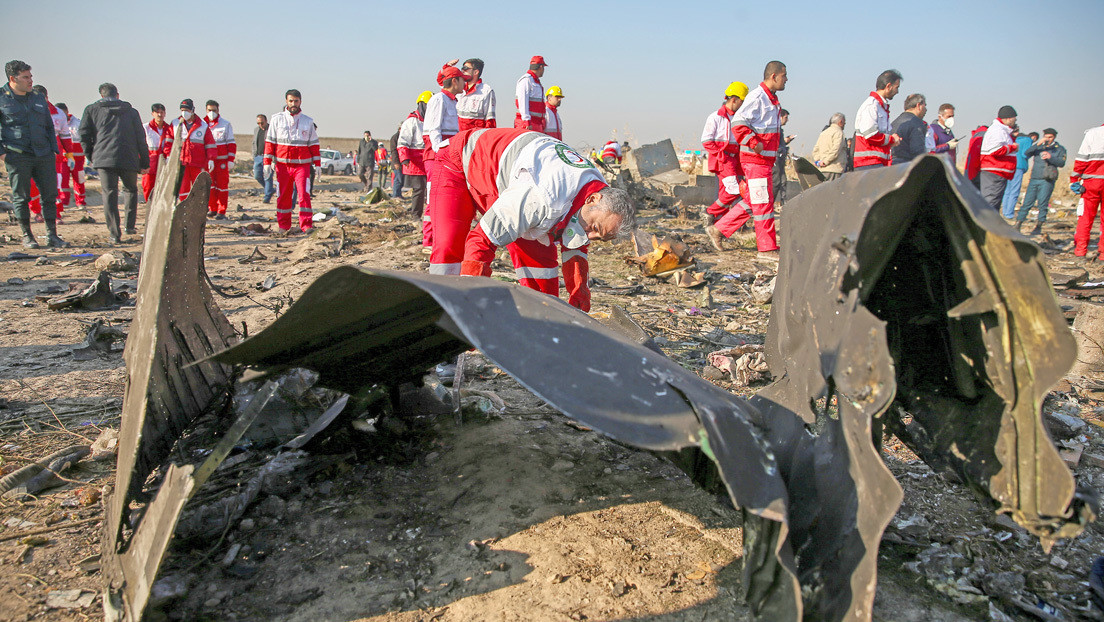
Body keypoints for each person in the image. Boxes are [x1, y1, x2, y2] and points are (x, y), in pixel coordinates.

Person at [429, 127, 634, 312]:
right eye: (595, 228)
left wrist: (579, 295)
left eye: (600, 237)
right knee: (450, 246)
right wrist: (469, 303)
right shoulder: (542, 198)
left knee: (542, 275)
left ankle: (542, 326)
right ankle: (440, 314)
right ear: (592, 199)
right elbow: (481, 240)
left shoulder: (598, 190)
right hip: (459, 160)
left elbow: (577, 242)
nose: (590, 236)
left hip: (508, 176)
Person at [0, 60, 64, 248]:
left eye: (31, 77)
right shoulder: (2, 98)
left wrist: (53, 149)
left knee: (49, 196)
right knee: (21, 197)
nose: (30, 81)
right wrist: (3, 154)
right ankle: (27, 236)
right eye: (25, 77)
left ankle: (52, 235)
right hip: (17, 155)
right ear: (13, 79)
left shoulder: (37, 97)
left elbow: (48, 125)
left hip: (43, 154)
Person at [728, 60, 787, 256]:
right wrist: (754, 143)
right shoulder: (758, 97)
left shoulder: (770, 99)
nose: (786, 80)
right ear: (774, 76)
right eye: (784, 75)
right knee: (763, 204)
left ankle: (719, 229)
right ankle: (766, 248)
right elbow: (738, 122)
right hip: (755, 160)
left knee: (756, 201)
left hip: (763, 161)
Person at [79, 82, 148, 244]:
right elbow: (141, 138)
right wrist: (144, 162)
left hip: (103, 159)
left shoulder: (92, 110)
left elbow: (83, 135)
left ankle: (114, 234)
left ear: (101, 96)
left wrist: (91, 155)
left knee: (109, 194)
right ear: (117, 95)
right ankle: (129, 226)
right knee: (130, 190)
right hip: (129, 158)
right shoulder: (131, 112)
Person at [700, 80, 749, 250]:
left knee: (727, 192)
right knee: (734, 190)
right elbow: (706, 140)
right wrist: (721, 155)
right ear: (734, 99)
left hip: (736, 158)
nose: (743, 104)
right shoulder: (715, 117)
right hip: (723, 158)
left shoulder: (739, 117)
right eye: (742, 101)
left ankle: (717, 229)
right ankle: (710, 213)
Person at [263, 89, 320, 234]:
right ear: (286, 101)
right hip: (282, 166)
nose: (293, 104)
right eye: (290, 101)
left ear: (300, 101)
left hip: (302, 166)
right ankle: (283, 225)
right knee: (283, 196)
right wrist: (267, 162)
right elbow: (270, 142)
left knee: (304, 195)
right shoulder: (277, 119)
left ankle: (306, 225)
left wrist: (318, 164)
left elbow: (314, 144)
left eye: (296, 101)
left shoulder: (308, 121)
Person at [424, 64, 465, 252]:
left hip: (447, 154)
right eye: (462, 79)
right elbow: (434, 130)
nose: (465, 82)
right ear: (454, 81)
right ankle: (429, 241)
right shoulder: (439, 99)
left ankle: (439, 239)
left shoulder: (453, 101)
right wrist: (440, 151)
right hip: (437, 156)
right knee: (433, 198)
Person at [32, 85, 72, 221]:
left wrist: (70, 154)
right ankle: (37, 212)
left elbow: (65, 135)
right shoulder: (26, 110)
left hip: (54, 156)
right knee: (32, 186)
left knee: (54, 186)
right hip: (32, 154)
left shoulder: (58, 113)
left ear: (47, 98)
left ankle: (56, 214)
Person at [1016, 128, 1066, 235]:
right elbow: (1026, 154)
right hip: (1034, 178)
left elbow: (1061, 163)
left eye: (1050, 137)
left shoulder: (1059, 149)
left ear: (1054, 137)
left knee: (1042, 203)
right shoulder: (1039, 147)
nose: (1047, 139)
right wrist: (1037, 144)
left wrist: (1050, 157)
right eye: (1046, 136)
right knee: (1027, 203)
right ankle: (1018, 223)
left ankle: (1039, 226)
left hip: (1047, 179)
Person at [854, 69, 902, 169]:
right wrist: (892, 139)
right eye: (896, 87)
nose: (897, 92)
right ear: (888, 86)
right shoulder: (872, 105)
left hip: (877, 162)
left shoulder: (880, 107)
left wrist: (891, 142)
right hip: (869, 164)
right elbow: (870, 134)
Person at [171, 99, 215, 203]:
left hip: (197, 163)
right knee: (183, 188)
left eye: (187, 110)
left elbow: (210, 144)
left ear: (192, 110)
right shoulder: (175, 124)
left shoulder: (203, 126)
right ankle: (183, 206)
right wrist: (169, 157)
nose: (184, 112)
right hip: (181, 163)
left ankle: (198, 207)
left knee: (198, 187)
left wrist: (211, 159)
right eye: (182, 110)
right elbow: (169, 142)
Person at [1071, 123, 1104, 259]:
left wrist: (1074, 179)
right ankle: (1103, 256)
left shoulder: (1093, 133)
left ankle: (1080, 252)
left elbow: (1081, 159)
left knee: (1085, 218)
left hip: (1091, 183)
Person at [398, 91, 431, 228]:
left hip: (428, 160)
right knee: (419, 189)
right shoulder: (411, 121)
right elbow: (402, 142)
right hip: (415, 162)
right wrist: (404, 159)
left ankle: (429, 216)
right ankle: (415, 215)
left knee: (429, 189)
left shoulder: (430, 121)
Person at [978, 106, 1020, 210]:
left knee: (993, 202)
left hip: (998, 172)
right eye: (1015, 118)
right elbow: (995, 150)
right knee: (990, 202)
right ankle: (987, 224)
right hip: (994, 172)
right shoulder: (997, 130)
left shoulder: (1002, 130)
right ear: (1009, 118)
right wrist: (1013, 147)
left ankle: (990, 223)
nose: (1015, 121)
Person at [202, 100, 235, 219]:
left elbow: (231, 143)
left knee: (222, 186)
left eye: (214, 110)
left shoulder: (225, 124)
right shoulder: (201, 124)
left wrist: (231, 159)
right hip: (208, 162)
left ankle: (221, 210)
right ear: (206, 110)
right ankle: (212, 208)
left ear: (218, 110)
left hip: (222, 162)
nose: (212, 113)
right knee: (209, 186)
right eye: (209, 110)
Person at [56, 103, 87, 209]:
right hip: (64, 159)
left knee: (79, 180)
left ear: (67, 112)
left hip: (78, 159)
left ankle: (81, 202)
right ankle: (64, 202)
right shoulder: (57, 123)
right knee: (63, 181)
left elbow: (84, 140)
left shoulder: (78, 124)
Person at [141, 103, 173, 203]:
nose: (159, 115)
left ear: (165, 114)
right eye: (157, 112)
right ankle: (149, 207)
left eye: (161, 112)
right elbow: (140, 145)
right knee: (148, 187)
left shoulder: (169, 129)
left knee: (163, 188)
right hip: (149, 164)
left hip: (164, 163)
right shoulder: (146, 128)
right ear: (153, 114)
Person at [1001, 128, 1035, 219]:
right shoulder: (1028, 140)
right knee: (1014, 192)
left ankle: (1005, 212)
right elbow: (1025, 154)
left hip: (1009, 166)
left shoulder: (1013, 139)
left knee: (1007, 191)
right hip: (1019, 167)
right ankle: (1009, 214)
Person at [458, 58, 496, 130]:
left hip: (474, 137)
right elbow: (443, 82)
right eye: (462, 68)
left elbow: (490, 120)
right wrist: (447, 66)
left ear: (476, 72)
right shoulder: (458, 88)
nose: (462, 71)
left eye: (465, 69)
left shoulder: (486, 91)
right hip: (457, 136)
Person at [889, 93, 928, 163]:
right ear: (919, 105)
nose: (926, 110)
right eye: (925, 106)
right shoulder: (916, 123)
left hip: (891, 166)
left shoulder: (893, 123)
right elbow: (918, 151)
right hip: (907, 166)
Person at [514, 55, 547, 131]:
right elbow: (523, 101)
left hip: (536, 123)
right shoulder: (526, 80)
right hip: (526, 123)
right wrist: (526, 120)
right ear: (541, 67)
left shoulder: (535, 82)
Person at [812, 113, 847, 181]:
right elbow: (836, 150)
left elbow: (815, 149)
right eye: (844, 123)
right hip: (834, 169)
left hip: (822, 170)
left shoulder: (824, 133)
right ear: (840, 122)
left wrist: (819, 161)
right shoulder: (839, 133)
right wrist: (825, 162)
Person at [772, 108, 795, 206]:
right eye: (786, 117)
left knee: (783, 182)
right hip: (776, 159)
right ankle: (769, 204)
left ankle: (784, 203)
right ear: (780, 117)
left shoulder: (779, 129)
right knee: (776, 182)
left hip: (780, 159)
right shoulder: (774, 129)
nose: (787, 120)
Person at [252, 114, 274, 203]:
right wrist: (254, 155)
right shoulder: (256, 130)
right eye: (258, 123)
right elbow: (254, 143)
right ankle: (269, 189)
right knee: (257, 176)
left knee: (268, 177)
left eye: (262, 123)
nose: (260, 125)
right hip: (258, 156)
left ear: (266, 121)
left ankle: (267, 197)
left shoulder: (271, 130)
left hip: (268, 157)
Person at [965, 124, 989, 188]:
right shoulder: (982, 135)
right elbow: (976, 156)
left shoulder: (976, 135)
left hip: (971, 171)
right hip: (977, 172)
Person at [389, 125, 404, 197]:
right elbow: (394, 151)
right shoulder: (395, 138)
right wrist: (396, 162)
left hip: (402, 162)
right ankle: (395, 195)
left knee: (400, 179)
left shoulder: (403, 137)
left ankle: (398, 194)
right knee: (398, 179)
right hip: (397, 163)